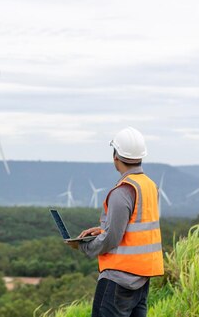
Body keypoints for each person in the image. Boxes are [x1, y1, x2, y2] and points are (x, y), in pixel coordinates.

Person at [65, 127, 164, 317]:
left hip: (118, 280)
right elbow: (136, 225)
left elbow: (112, 238)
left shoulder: (122, 192)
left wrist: (83, 247)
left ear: (116, 156)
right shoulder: (150, 187)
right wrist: (103, 228)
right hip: (141, 280)